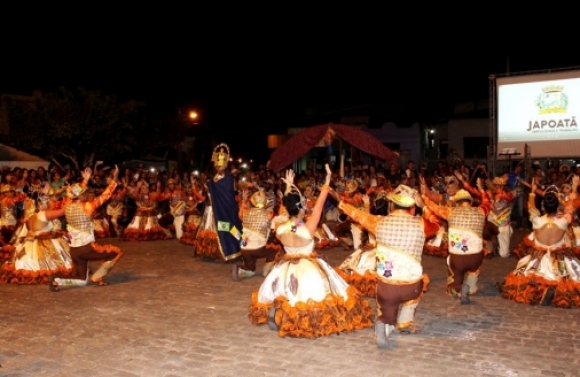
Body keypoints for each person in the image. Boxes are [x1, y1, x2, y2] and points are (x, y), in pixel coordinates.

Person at [249, 165, 373, 338]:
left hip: (285, 266)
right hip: (307, 267)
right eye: (303, 205)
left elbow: (286, 209)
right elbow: (320, 203)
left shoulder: (280, 228)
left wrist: (288, 187)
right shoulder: (308, 227)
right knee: (316, 297)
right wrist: (327, 181)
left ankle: (280, 310)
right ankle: (293, 315)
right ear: (300, 208)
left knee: (283, 291)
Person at [333, 184, 440, 348]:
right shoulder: (421, 224)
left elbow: (355, 214)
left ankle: (384, 323)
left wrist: (338, 200)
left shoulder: (379, 222)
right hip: (411, 287)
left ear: (391, 206)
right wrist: (423, 205)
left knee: (386, 307)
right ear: (412, 208)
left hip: (386, 287)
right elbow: (436, 223)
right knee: (416, 289)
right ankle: (405, 322)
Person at [498, 177, 580, 307]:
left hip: (539, 258)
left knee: (529, 276)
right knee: (567, 278)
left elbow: (530, 206)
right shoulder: (564, 221)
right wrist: (575, 186)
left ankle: (544, 290)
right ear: (558, 206)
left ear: (544, 207)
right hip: (559, 259)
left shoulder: (537, 220)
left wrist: (532, 191)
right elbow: (571, 205)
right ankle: (554, 288)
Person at [48, 166, 123, 292]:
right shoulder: (88, 206)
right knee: (116, 252)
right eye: (86, 192)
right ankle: (97, 277)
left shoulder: (66, 205)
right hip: (87, 248)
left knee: (82, 281)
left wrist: (85, 181)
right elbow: (106, 195)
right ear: (81, 195)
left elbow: (72, 194)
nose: (88, 194)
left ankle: (57, 281)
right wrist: (114, 179)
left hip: (74, 251)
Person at [421, 177, 491, 304]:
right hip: (476, 257)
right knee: (475, 266)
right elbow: (487, 202)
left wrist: (423, 198)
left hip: (458, 259)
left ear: (457, 203)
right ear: (469, 202)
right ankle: (472, 286)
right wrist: (481, 189)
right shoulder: (480, 211)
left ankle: (457, 288)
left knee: (453, 278)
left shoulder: (451, 212)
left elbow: (433, 207)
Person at [1, 188, 73, 285]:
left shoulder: (32, 216)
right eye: (47, 202)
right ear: (40, 204)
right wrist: (71, 195)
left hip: (29, 245)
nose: (49, 204)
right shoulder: (46, 214)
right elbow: (64, 210)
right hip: (44, 245)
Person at [194, 143, 243, 262]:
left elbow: (224, 192)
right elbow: (212, 189)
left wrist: (209, 185)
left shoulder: (228, 179)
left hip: (224, 209)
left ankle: (232, 249)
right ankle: (210, 253)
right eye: (216, 166)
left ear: (225, 166)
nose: (217, 168)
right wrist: (208, 184)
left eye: (220, 166)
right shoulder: (215, 177)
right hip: (212, 209)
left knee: (227, 227)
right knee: (210, 229)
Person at [231, 188, 278, 280]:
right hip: (258, 249)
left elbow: (240, 213)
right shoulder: (269, 214)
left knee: (251, 269)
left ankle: (240, 269)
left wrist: (244, 200)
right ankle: (266, 271)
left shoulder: (245, 213)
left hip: (244, 248)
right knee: (275, 249)